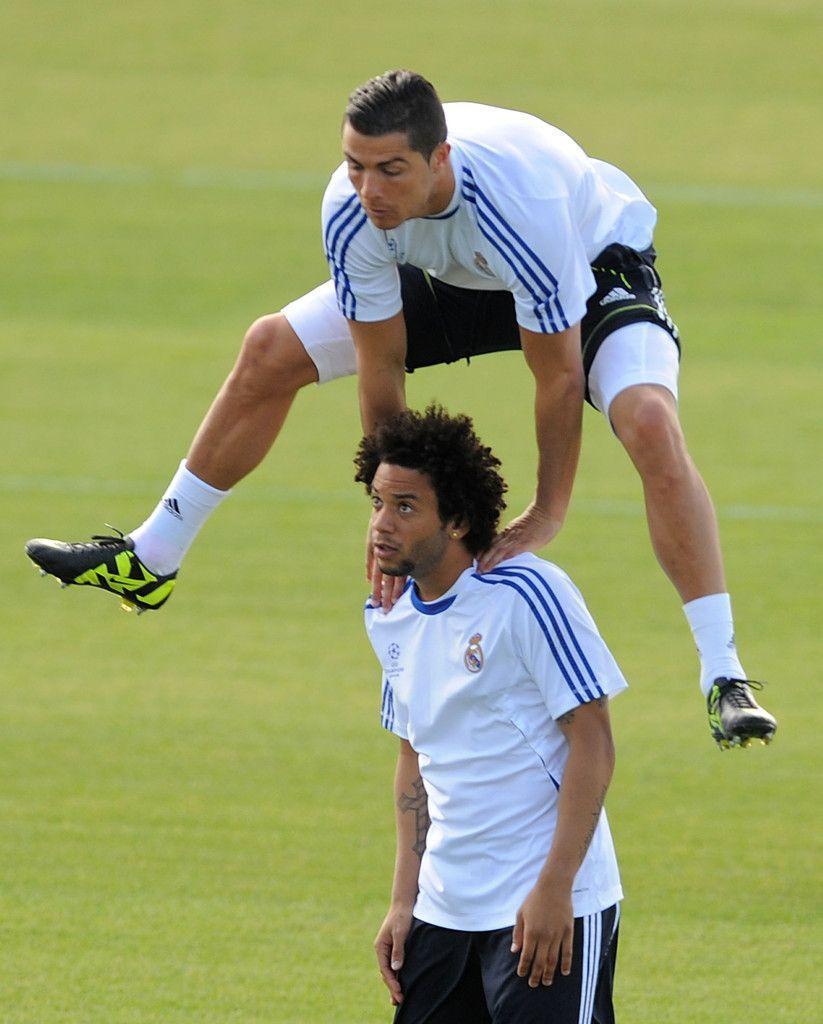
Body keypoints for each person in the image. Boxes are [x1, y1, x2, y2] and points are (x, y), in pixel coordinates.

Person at [25, 70, 775, 750]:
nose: (369, 189)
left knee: (646, 421)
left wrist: (548, 510)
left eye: (390, 170)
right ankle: (151, 558)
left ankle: (723, 674)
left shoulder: (521, 204)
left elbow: (555, 376)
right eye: (355, 167)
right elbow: (380, 366)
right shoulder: (354, 213)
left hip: (591, 263)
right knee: (268, 351)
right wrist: (389, 515)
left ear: (439, 159)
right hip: (453, 274)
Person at [357, 404, 623, 1023]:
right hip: (445, 911)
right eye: (377, 503)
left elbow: (594, 744)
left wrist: (558, 889)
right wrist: (404, 901)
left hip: (546, 905)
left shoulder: (526, 592)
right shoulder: (386, 613)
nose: (380, 526)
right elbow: (413, 761)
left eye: (405, 507)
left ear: (457, 521)